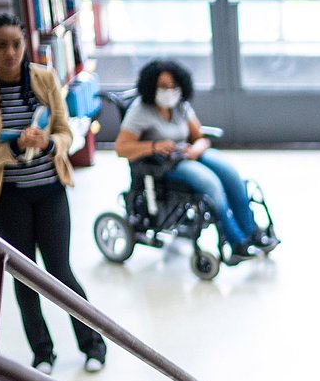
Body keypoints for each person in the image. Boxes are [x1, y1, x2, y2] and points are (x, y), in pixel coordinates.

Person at [0, 14, 106, 374]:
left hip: (50, 189)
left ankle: (93, 344)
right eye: (1, 45)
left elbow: (68, 133)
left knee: (60, 270)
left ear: (25, 45)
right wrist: (14, 149)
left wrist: (49, 142)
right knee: (24, 275)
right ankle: (42, 354)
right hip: (9, 197)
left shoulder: (44, 78)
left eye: (16, 44)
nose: (10, 52)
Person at [113, 59, 277, 264]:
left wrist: (197, 148)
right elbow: (121, 148)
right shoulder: (140, 111)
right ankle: (236, 242)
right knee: (211, 184)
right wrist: (154, 146)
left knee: (231, 175)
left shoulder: (180, 106)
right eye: (163, 87)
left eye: (173, 86)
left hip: (189, 153)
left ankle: (252, 232)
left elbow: (199, 136)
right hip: (162, 163)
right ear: (151, 86)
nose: (169, 91)